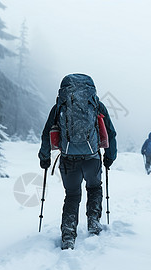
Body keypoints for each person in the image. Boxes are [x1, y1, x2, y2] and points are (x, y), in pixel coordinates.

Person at [38, 73, 117, 250]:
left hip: (68, 160)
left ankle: (68, 234)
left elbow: (46, 134)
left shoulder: (60, 106)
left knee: (72, 196)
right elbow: (110, 132)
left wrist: (44, 158)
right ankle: (93, 222)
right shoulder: (96, 104)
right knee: (95, 188)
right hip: (92, 159)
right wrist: (109, 156)